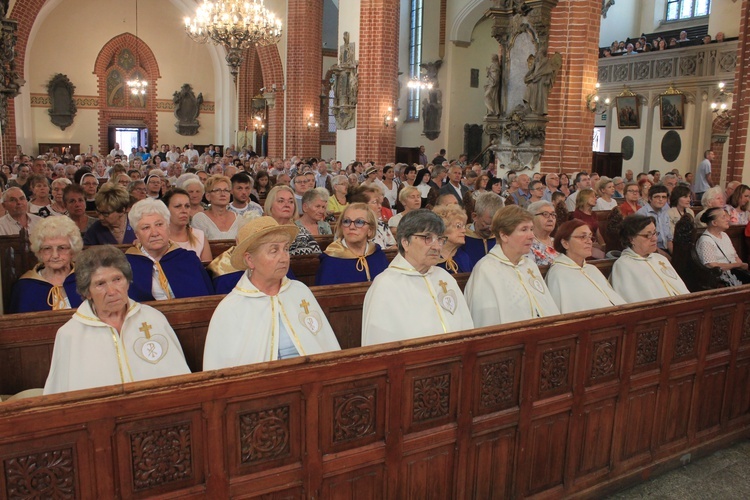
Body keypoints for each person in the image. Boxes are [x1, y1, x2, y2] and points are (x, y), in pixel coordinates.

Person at [43, 245, 191, 394]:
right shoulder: (70, 334)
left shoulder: (154, 318)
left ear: (127, 282)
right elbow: (58, 398)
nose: (112, 291)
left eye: (117, 279)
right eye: (100, 283)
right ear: (87, 292)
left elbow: (182, 381)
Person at [203, 217, 340, 369]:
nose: (284, 257)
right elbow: (221, 374)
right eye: (274, 250)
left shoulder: (300, 292)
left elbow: (326, 349)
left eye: (286, 249)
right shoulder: (230, 308)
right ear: (250, 260)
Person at [362, 210, 474, 346]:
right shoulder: (386, 285)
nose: (437, 246)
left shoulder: (445, 277)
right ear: (405, 242)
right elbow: (380, 345)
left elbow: (467, 326)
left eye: (439, 239)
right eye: (427, 238)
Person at [465, 205, 560, 327]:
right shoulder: (486, 269)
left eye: (531, 229)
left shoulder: (529, 265)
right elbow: (486, 320)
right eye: (524, 229)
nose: (531, 235)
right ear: (504, 235)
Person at [124, 198, 213, 301]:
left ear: (168, 227)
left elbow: (207, 300)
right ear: (137, 235)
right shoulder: (127, 265)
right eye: (146, 228)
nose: (154, 233)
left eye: (159, 225)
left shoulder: (189, 259)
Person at [545, 219, 625, 313]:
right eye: (583, 237)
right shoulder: (558, 274)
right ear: (565, 243)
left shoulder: (592, 269)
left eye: (590, 237)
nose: (589, 241)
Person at [9, 216, 84, 313]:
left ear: (73, 251)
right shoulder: (25, 286)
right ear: (39, 252)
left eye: (62, 248)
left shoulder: (86, 280)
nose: (55, 255)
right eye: (47, 248)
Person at [610, 215, 689, 302]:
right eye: (648, 235)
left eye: (655, 233)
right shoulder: (624, 265)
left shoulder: (660, 258)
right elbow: (630, 300)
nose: (655, 239)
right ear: (631, 239)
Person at [315, 203, 389, 286]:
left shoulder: (377, 255)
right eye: (346, 221)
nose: (352, 227)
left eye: (359, 222)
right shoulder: (331, 260)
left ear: (370, 230)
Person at [697, 208, 750, 286]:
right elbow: (712, 266)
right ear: (714, 223)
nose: (728, 219)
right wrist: (737, 265)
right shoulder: (705, 240)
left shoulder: (724, 235)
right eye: (723, 217)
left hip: (734, 273)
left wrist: (741, 266)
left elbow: (735, 257)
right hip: (720, 280)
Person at [264, 185, 321, 255]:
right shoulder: (262, 233)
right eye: (281, 201)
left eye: (291, 202)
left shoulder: (303, 232)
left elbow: (317, 259)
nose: (287, 205)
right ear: (270, 206)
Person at [163, 188, 212, 262]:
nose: (184, 211)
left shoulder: (199, 236)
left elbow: (206, 269)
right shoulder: (158, 237)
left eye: (187, 206)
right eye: (177, 206)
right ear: (165, 210)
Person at [191, 175, 243, 240]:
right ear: (208, 196)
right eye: (217, 190)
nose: (223, 194)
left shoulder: (239, 219)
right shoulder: (200, 219)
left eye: (226, 190)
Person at [465, 192, 504, 267]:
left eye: (495, 225)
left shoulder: (503, 239)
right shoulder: (462, 239)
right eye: (487, 223)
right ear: (474, 216)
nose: (491, 229)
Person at [433, 204, 472, 274]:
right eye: (458, 226)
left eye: (464, 226)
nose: (464, 231)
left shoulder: (464, 257)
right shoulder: (430, 259)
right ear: (443, 229)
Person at [636, 185, 673, 255]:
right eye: (657, 197)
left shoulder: (665, 213)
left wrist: (674, 257)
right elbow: (643, 241)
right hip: (649, 251)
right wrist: (666, 256)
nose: (661, 199)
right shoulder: (642, 214)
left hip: (665, 249)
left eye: (664, 197)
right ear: (650, 198)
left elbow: (669, 240)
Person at [527, 200, 558, 266]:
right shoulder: (527, 244)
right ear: (532, 218)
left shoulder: (559, 243)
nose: (550, 219)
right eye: (545, 214)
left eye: (553, 214)